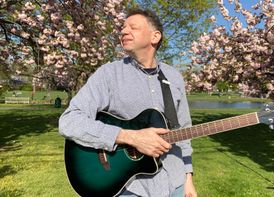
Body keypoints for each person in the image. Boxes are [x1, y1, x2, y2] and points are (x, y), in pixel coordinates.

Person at [59, 8, 197, 197]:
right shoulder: (108, 75)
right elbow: (69, 121)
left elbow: (184, 132)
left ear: (155, 36)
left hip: (174, 182)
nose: (123, 31)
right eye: (123, 28)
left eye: (133, 27)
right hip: (129, 188)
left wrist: (188, 178)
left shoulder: (174, 77)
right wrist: (131, 138)